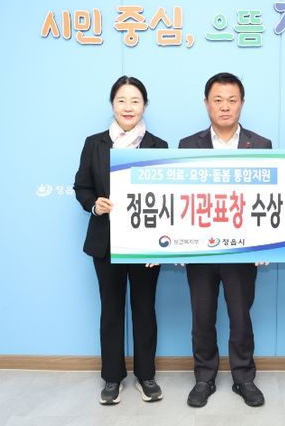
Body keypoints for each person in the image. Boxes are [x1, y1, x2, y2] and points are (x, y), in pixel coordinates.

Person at [179, 72, 271, 408]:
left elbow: (268, 196)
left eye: (232, 100)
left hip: (242, 250)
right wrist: (179, 244)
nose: (225, 106)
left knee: (240, 317)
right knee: (202, 317)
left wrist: (266, 241)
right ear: (206, 103)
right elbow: (179, 198)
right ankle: (204, 377)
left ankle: (244, 377)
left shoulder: (261, 145)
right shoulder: (188, 146)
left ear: (242, 103)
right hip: (201, 250)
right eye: (217, 100)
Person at [74, 76, 168, 405]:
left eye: (135, 101)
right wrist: (94, 204)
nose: (128, 107)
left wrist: (161, 245)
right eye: (122, 100)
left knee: (144, 310)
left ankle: (146, 376)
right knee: (111, 311)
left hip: (145, 243)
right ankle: (112, 377)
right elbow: (82, 187)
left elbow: (167, 197)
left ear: (145, 105)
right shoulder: (94, 143)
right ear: (112, 104)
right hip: (107, 242)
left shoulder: (159, 146)